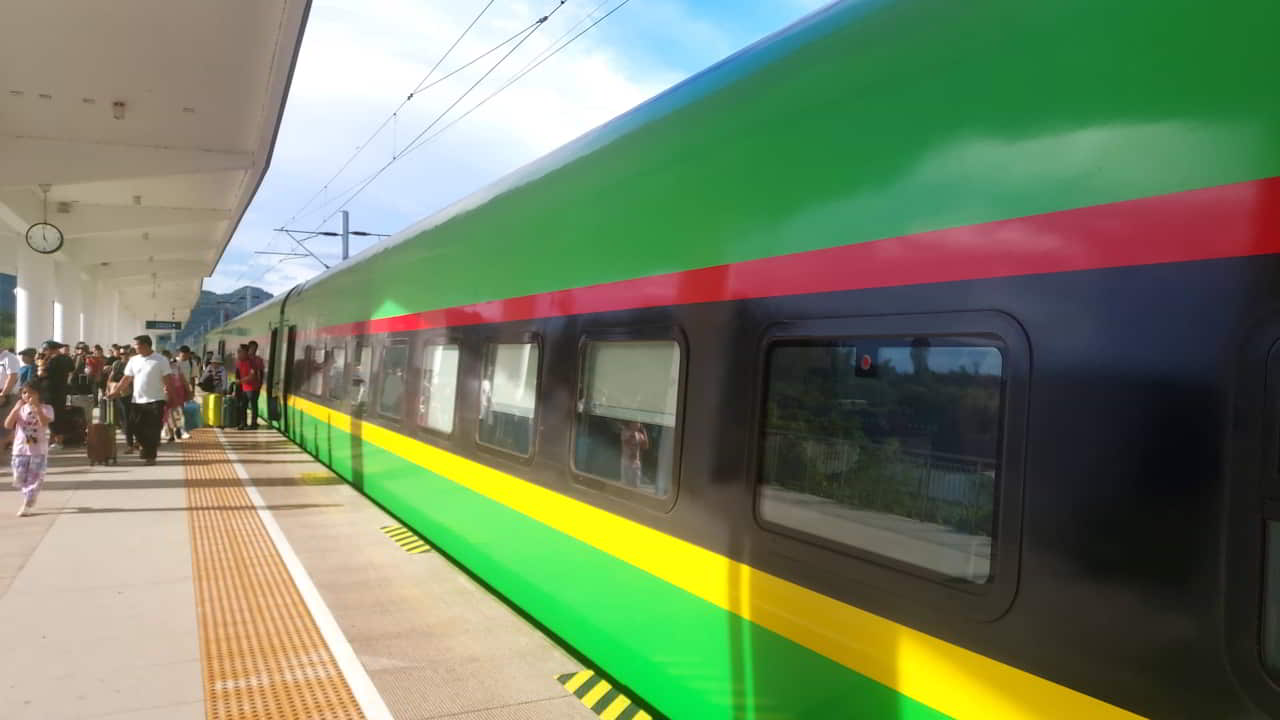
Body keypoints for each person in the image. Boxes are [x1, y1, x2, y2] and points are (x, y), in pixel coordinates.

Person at [108, 335, 174, 466]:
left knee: (153, 429)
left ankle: (150, 456)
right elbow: (127, 379)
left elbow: (167, 379)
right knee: (135, 427)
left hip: (156, 400)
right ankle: (145, 447)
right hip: (137, 400)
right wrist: (116, 392)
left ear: (145, 345)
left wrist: (170, 395)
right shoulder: (133, 360)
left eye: (136, 345)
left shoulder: (161, 360)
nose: (134, 347)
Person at [6, 382, 55, 516]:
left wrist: (37, 408)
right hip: (20, 450)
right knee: (19, 477)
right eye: (24, 393)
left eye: (31, 392)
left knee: (34, 478)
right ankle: (29, 495)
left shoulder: (47, 408)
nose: (27, 395)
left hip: (38, 451)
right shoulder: (20, 409)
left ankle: (28, 503)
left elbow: (44, 422)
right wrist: (15, 410)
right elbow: (8, 424)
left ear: (39, 394)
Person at [41, 341, 75, 447]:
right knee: (59, 414)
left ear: (52, 349)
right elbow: (72, 369)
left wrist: (42, 363)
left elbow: (42, 374)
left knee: (52, 416)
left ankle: (57, 440)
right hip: (61, 390)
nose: (44, 352)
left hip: (51, 392)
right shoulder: (66, 358)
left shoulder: (52, 361)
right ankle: (54, 439)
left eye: (46, 349)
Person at [107, 347, 136, 453]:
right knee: (125, 420)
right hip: (121, 395)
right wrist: (109, 389)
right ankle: (130, 444)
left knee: (135, 420)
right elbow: (111, 378)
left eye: (126, 353)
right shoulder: (117, 364)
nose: (124, 355)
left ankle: (136, 443)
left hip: (135, 395)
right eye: (122, 353)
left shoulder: (134, 363)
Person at [238, 342, 264, 430]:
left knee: (253, 406)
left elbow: (255, 375)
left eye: (255, 348)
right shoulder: (242, 361)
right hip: (245, 387)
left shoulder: (254, 361)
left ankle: (253, 423)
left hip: (253, 387)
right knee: (243, 406)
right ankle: (243, 423)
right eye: (252, 348)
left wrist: (259, 385)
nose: (253, 350)